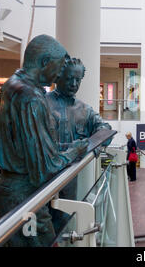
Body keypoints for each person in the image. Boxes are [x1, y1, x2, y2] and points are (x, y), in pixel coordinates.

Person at [0, 35, 89, 247]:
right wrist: (75, 151)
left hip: (10, 192)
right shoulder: (31, 97)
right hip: (24, 197)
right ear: (45, 62)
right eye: (58, 68)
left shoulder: (11, 85)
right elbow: (45, 167)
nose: (58, 75)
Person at [46, 57, 113, 232]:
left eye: (78, 80)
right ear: (58, 77)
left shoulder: (85, 110)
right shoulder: (41, 104)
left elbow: (105, 129)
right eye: (69, 79)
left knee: (65, 223)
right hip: (42, 179)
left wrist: (95, 143)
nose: (74, 84)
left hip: (70, 178)